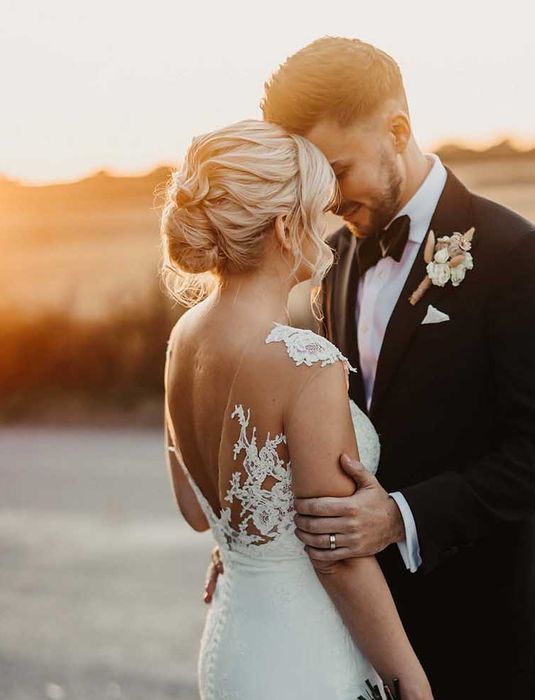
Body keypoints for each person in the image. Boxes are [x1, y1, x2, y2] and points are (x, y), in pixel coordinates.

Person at [206, 37, 535, 699]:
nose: (325, 201)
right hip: (369, 623)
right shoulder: (334, 264)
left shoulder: (515, 254)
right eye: (312, 183)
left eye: (339, 170)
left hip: (491, 621)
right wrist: (259, 536)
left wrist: (403, 516)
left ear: (398, 130)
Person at [161, 119, 432, 699]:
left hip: (231, 649)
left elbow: (194, 507)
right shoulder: (306, 362)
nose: (329, 222)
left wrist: (254, 545)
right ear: (286, 228)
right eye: (317, 207)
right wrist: (409, 678)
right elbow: (337, 555)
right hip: (304, 658)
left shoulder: (184, 336)